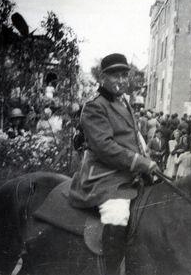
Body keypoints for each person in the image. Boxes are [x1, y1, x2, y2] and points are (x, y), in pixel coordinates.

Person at [68, 53, 159, 275]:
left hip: (127, 173)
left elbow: (132, 137)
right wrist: (140, 162)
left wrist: (147, 156)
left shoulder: (124, 101)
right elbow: (104, 147)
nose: (120, 81)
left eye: (124, 76)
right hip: (103, 175)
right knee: (118, 213)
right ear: (102, 78)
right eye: (115, 76)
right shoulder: (94, 106)